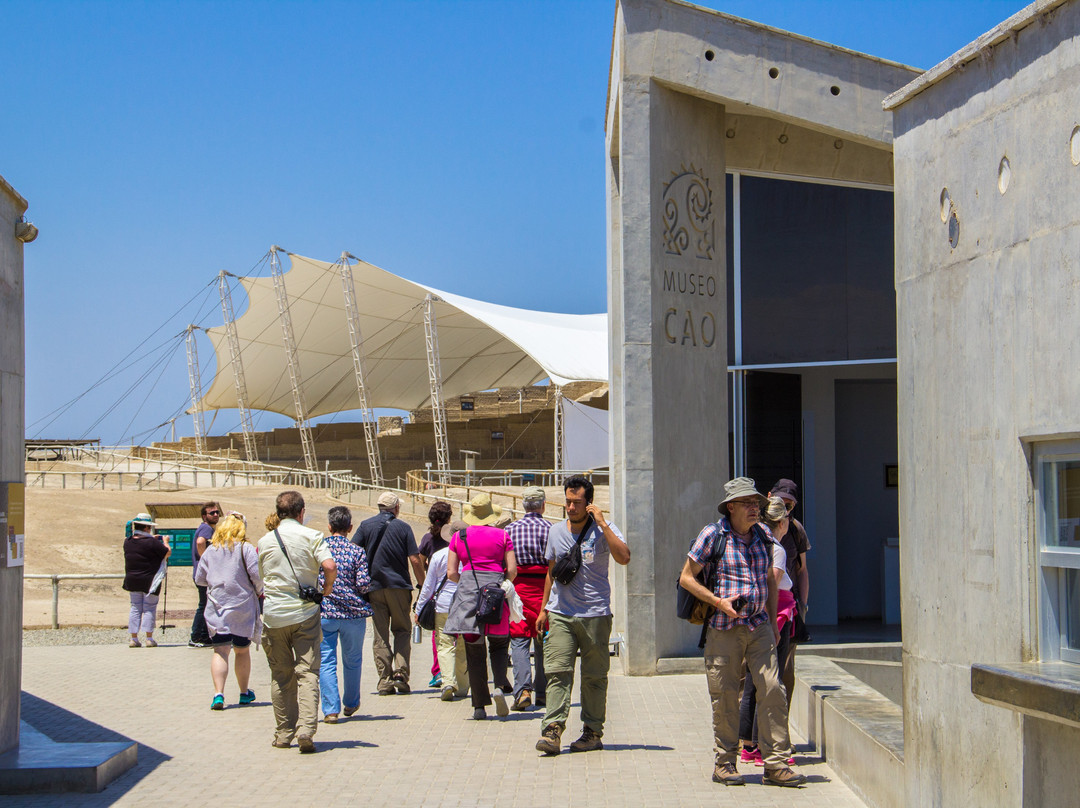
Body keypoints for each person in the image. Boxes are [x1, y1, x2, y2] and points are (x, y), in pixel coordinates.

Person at [678, 477, 805, 788]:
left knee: (773, 689)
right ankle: (725, 763)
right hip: (724, 629)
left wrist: (774, 624)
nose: (755, 508)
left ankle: (775, 764)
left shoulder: (763, 534)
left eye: (757, 503)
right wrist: (719, 602)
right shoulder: (712, 535)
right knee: (725, 698)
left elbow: (771, 582)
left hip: (760, 625)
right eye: (748, 503)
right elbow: (686, 578)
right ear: (731, 507)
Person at [534, 475, 630, 755]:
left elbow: (624, 557)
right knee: (557, 673)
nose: (571, 507)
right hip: (561, 613)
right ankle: (552, 731)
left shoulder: (605, 529)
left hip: (596, 615)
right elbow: (551, 574)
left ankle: (591, 732)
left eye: (577, 502)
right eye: (568, 501)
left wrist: (601, 523)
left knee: (594, 677)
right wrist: (543, 609)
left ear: (589, 503)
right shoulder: (555, 532)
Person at [257, 491, 336, 753]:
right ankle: (306, 730)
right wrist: (325, 590)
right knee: (307, 672)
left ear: (278, 513)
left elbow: (262, 577)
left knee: (281, 676)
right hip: (304, 614)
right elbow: (329, 565)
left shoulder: (265, 541)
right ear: (301, 512)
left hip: (274, 615)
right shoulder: (312, 536)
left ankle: (283, 733)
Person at [443, 493, 517, 720]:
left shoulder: (459, 537)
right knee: (498, 645)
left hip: (467, 596)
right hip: (494, 594)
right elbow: (512, 570)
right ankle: (499, 685)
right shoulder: (503, 535)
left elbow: (451, 572)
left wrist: (467, 582)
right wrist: (498, 580)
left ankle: (478, 706)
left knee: (475, 651)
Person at [738, 496, 798, 766]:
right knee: (771, 683)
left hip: (758, 617)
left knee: (753, 682)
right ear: (783, 522)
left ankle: (749, 745)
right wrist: (772, 624)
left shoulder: (757, 543)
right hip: (775, 618)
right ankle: (764, 747)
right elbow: (771, 585)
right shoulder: (777, 549)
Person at [352, 491, 425, 695]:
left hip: (374, 588)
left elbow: (353, 550)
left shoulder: (366, 525)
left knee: (380, 634)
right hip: (399, 586)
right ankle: (401, 673)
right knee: (402, 630)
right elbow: (415, 559)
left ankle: (384, 680)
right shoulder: (403, 527)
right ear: (396, 508)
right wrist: (423, 585)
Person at [194, 512, 262, 710]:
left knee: (220, 651)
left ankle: (218, 694)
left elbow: (200, 578)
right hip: (243, 607)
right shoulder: (246, 548)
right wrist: (258, 591)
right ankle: (243, 692)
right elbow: (257, 576)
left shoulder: (211, 550)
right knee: (242, 651)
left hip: (217, 606)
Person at [319, 506, 373, 724]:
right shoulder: (357, 551)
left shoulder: (320, 548)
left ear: (329, 526)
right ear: (350, 528)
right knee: (352, 660)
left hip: (326, 612)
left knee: (326, 661)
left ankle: (331, 710)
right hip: (353, 615)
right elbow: (362, 584)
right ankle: (351, 702)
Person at [506, 485, 551, 711]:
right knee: (543, 641)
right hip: (544, 591)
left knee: (519, 640)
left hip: (519, 592)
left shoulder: (510, 530)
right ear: (543, 505)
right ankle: (543, 693)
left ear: (523, 506)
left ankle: (523, 689)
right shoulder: (552, 529)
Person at [768, 478, 811, 709]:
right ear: (768, 497)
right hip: (759, 611)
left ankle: (780, 730)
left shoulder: (795, 529)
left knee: (785, 672)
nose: (784, 509)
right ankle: (748, 737)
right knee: (750, 673)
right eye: (780, 502)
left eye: (789, 505)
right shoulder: (755, 528)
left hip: (788, 611)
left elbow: (802, 570)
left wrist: (802, 606)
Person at [413, 519, 468, 702]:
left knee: (444, 645)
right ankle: (463, 686)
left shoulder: (439, 555)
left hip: (443, 605)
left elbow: (428, 587)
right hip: (465, 604)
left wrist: (419, 608)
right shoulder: (470, 555)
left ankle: (447, 682)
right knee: (462, 646)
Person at [122, 512, 171, 648]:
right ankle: (149, 638)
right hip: (150, 580)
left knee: (135, 608)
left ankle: (134, 638)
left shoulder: (128, 541)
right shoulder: (151, 542)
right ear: (146, 528)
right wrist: (165, 542)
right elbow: (167, 552)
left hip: (132, 580)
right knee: (149, 608)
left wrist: (152, 539)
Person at [419, 501, 453, 688]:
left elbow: (420, 561)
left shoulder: (427, 539)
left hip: (436, 592)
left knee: (438, 635)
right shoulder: (453, 538)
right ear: (449, 518)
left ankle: (438, 670)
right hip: (454, 588)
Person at [189, 502, 221, 647]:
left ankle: (203, 636)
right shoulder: (206, 528)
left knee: (206, 605)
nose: (215, 515)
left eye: (217, 512)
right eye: (212, 513)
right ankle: (195, 637)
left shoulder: (207, 528)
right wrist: (206, 561)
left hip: (201, 574)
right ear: (204, 516)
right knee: (204, 605)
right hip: (204, 575)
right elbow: (201, 542)